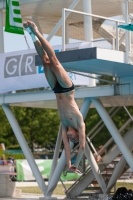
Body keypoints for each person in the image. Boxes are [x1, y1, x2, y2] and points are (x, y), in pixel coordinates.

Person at [23, 21, 86, 174]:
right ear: (77, 133)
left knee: (45, 62)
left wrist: (70, 164)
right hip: (66, 88)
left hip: (56, 89)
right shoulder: (79, 123)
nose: (71, 139)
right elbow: (83, 147)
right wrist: (78, 162)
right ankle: (37, 31)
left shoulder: (64, 126)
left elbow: (65, 147)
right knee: (54, 60)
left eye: (72, 140)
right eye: (74, 138)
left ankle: (31, 35)